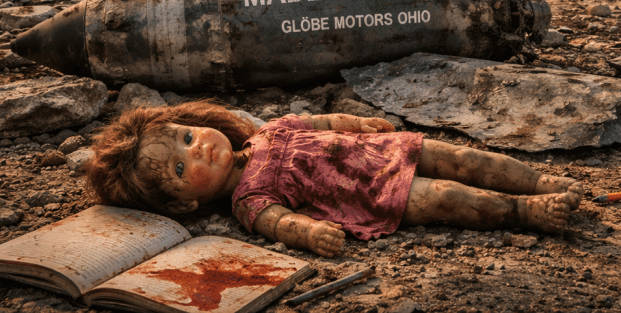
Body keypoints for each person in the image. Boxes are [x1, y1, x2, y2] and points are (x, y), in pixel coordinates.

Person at [85, 101, 583, 258]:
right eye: (180, 167)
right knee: (448, 197)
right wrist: (311, 233)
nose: (199, 146)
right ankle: (525, 212)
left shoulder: (265, 133)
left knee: (465, 158)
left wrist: (354, 123)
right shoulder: (248, 198)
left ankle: (538, 184)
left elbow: (315, 124)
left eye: (186, 135)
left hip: (385, 150)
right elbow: (277, 222)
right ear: (182, 206)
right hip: (374, 193)